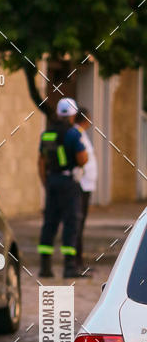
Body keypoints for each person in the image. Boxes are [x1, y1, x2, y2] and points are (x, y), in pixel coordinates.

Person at [37, 97, 88, 279]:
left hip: (52, 181)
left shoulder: (46, 134)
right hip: (68, 183)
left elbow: (41, 162)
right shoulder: (73, 134)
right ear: (73, 115)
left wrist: (46, 182)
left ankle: (45, 267)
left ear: (59, 113)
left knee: (49, 222)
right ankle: (69, 267)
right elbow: (82, 159)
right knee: (71, 222)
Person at [73, 107, 98, 275]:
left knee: (80, 225)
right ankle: (76, 263)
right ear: (85, 119)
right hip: (81, 186)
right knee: (78, 225)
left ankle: (79, 262)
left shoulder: (81, 134)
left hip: (86, 186)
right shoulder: (76, 134)